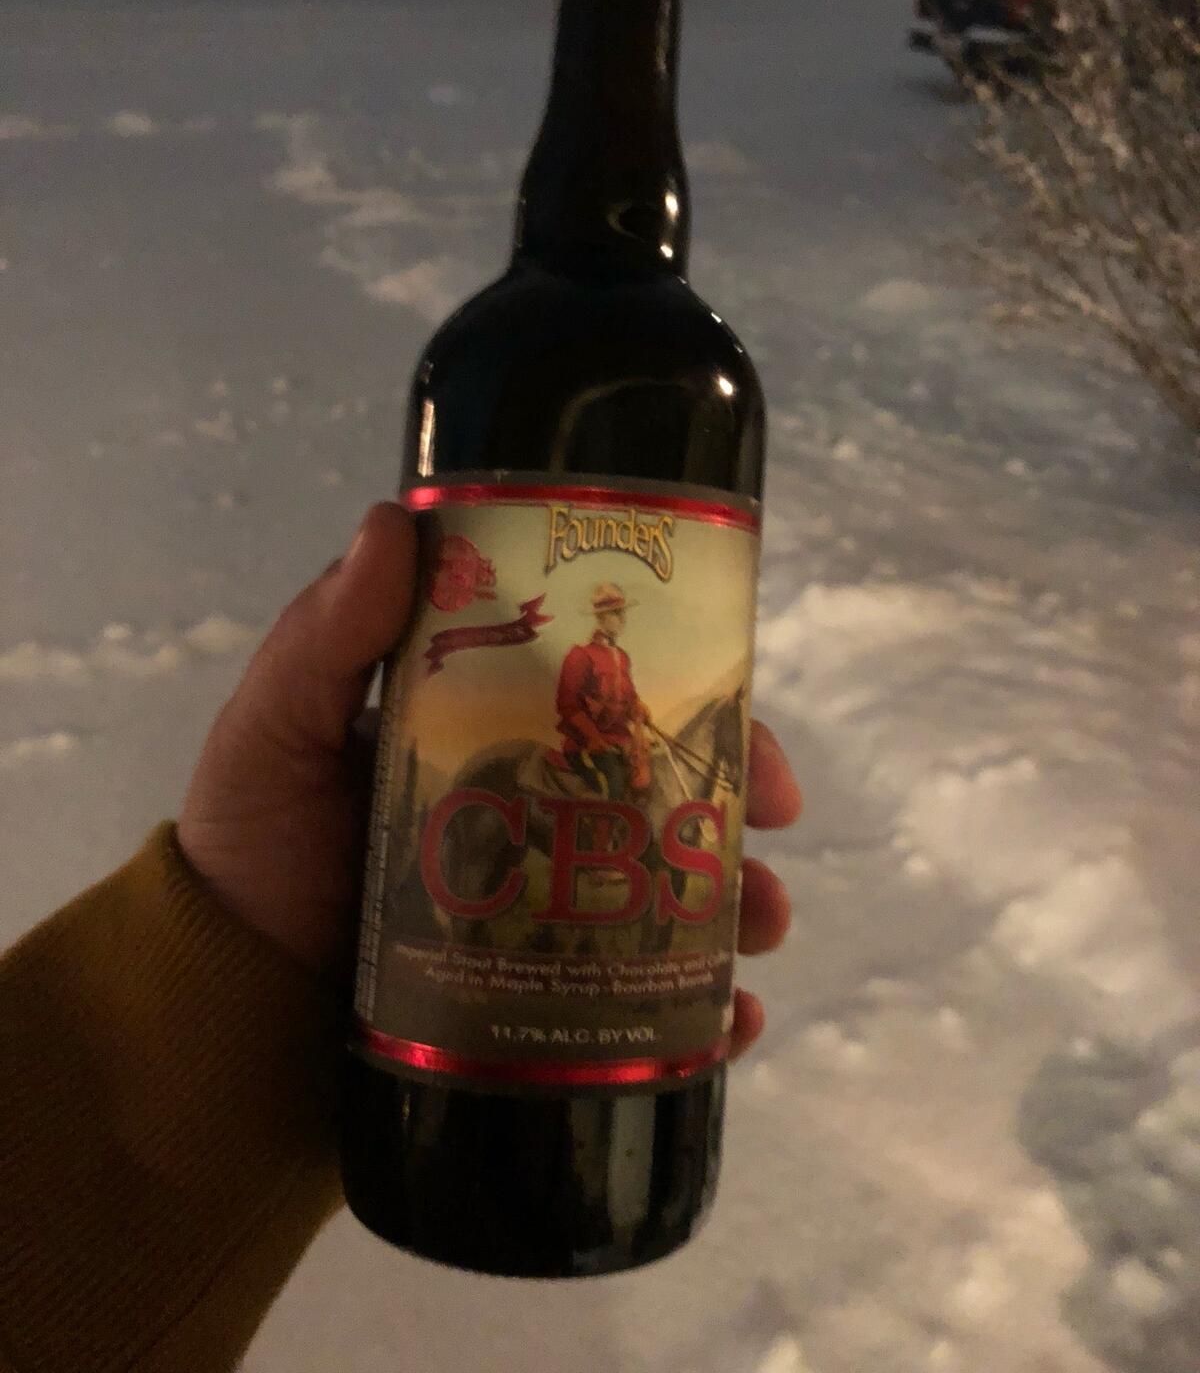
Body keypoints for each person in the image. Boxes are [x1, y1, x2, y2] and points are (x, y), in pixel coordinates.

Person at [0, 502, 801, 1373]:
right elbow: (576, 707)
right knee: (612, 787)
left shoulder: (622, 660)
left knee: (661, 806)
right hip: (578, 749)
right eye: (605, 613)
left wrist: (639, 726)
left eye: (614, 614)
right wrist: (607, 734)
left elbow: (629, 703)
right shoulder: (579, 659)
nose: (608, 623)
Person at [555, 581, 652, 800]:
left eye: (622, 613)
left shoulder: (622, 657)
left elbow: (628, 698)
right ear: (600, 618)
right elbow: (567, 705)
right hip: (586, 745)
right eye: (616, 613)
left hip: (620, 740)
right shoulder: (580, 655)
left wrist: (638, 707)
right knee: (614, 783)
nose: (622, 619)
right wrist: (593, 737)